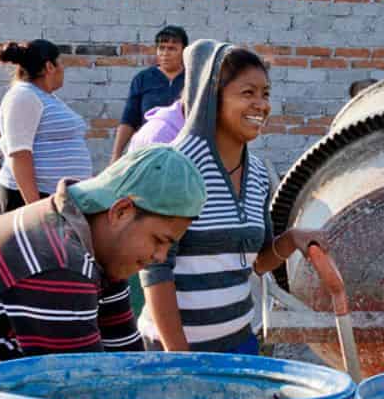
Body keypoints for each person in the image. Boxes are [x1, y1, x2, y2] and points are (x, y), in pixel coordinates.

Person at [138, 41, 329, 353]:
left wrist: (292, 238)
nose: (261, 105)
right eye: (247, 93)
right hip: (175, 351)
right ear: (213, 98)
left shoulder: (257, 174)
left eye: (265, 94)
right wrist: (179, 358)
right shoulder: (177, 168)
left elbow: (257, 263)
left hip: (240, 341)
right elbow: (155, 270)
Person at [0, 145, 206, 360]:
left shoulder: (101, 249)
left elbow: (126, 357)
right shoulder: (56, 264)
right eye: (159, 240)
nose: (160, 256)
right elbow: (79, 392)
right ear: (121, 211)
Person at [0, 39, 93, 213]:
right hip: (36, 200)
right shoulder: (23, 96)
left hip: (54, 198)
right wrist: (35, 210)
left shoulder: (43, 96)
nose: (63, 69)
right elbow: (20, 154)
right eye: (60, 62)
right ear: (50, 66)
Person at [111, 25, 189, 161]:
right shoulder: (144, 79)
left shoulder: (192, 79)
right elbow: (129, 120)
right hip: (148, 152)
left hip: (184, 151)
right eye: (161, 48)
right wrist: (116, 155)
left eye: (172, 49)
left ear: (184, 51)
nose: (165, 53)